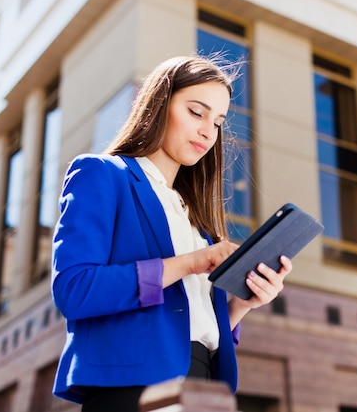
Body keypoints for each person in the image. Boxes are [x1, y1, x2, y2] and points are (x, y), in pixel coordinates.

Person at [50, 54, 293, 412]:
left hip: (202, 384)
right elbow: (74, 290)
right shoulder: (102, 174)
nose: (208, 131)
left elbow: (195, 320)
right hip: (135, 386)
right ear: (160, 104)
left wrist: (242, 304)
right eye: (197, 112)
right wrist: (190, 263)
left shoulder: (196, 218)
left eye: (218, 121)